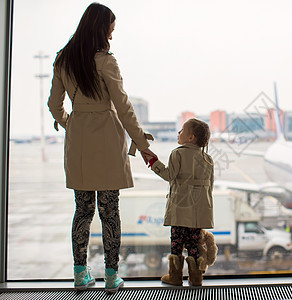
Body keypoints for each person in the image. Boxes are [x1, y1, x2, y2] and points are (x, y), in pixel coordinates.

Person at [47, 3, 155, 293]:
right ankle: (111, 276)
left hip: (79, 138)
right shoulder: (106, 61)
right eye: (111, 27)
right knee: (110, 211)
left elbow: (53, 105)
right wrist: (142, 143)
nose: (112, 34)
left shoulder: (62, 59)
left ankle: (80, 275)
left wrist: (70, 122)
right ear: (100, 27)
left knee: (82, 211)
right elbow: (124, 106)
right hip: (107, 138)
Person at [144, 118, 215, 286]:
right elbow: (210, 187)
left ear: (191, 137)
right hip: (198, 212)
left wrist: (153, 162)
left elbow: (169, 176)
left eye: (182, 130)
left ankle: (175, 276)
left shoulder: (178, 153)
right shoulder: (208, 159)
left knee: (176, 243)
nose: (179, 133)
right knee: (194, 244)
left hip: (180, 210)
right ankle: (196, 277)